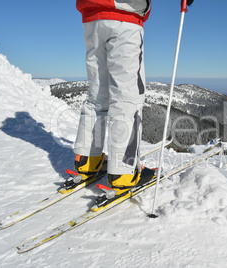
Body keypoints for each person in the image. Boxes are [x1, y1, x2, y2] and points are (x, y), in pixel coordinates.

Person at [73, 0, 194, 198]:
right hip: (124, 16)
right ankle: (124, 172)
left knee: (97, 95)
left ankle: (87, 160)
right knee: (127, 99)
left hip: (91, 16)